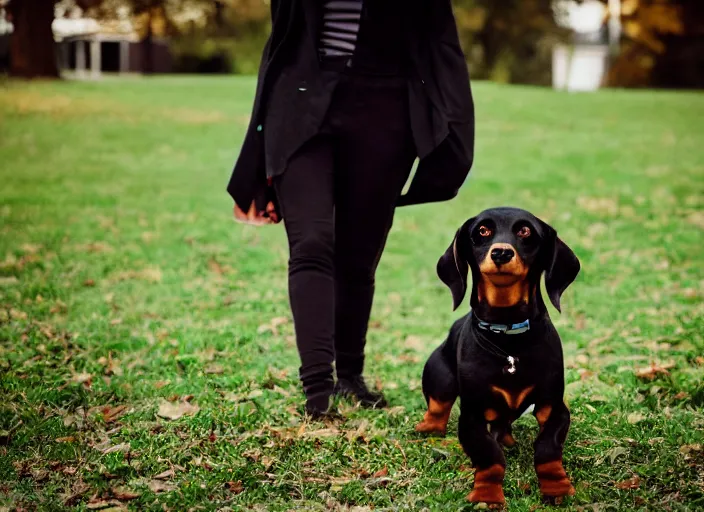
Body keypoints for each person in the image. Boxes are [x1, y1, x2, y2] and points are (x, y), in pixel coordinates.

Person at [227, 0, 475, 418]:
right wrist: (254, 161)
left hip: (385, 109)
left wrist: (455, 130)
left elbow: (439, 39)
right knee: (311, 241)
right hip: (301, 103)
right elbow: (281, 44)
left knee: (359, 255)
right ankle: (317, 390)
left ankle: (350, 377)